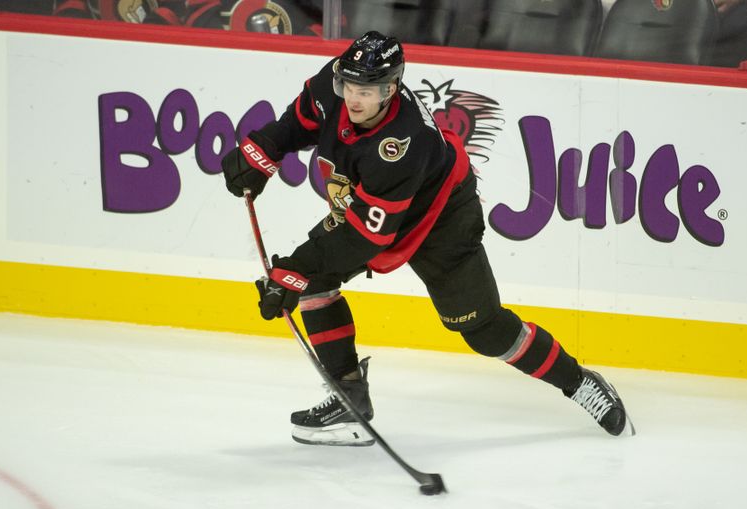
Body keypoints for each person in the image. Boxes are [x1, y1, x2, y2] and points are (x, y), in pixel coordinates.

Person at [221, 31, 635, 446]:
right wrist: (263, 151)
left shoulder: (402, 142)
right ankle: (349, 399)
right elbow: (297, 124)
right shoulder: (334, 83)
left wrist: (293, 270)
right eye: (349, 85)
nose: (354, 98)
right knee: (313, 277)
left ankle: (580, 383)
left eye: (366, 90)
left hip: (442, 218)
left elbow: (364, 237)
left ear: (390, 88)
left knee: (484, 329)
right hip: (372, 212)